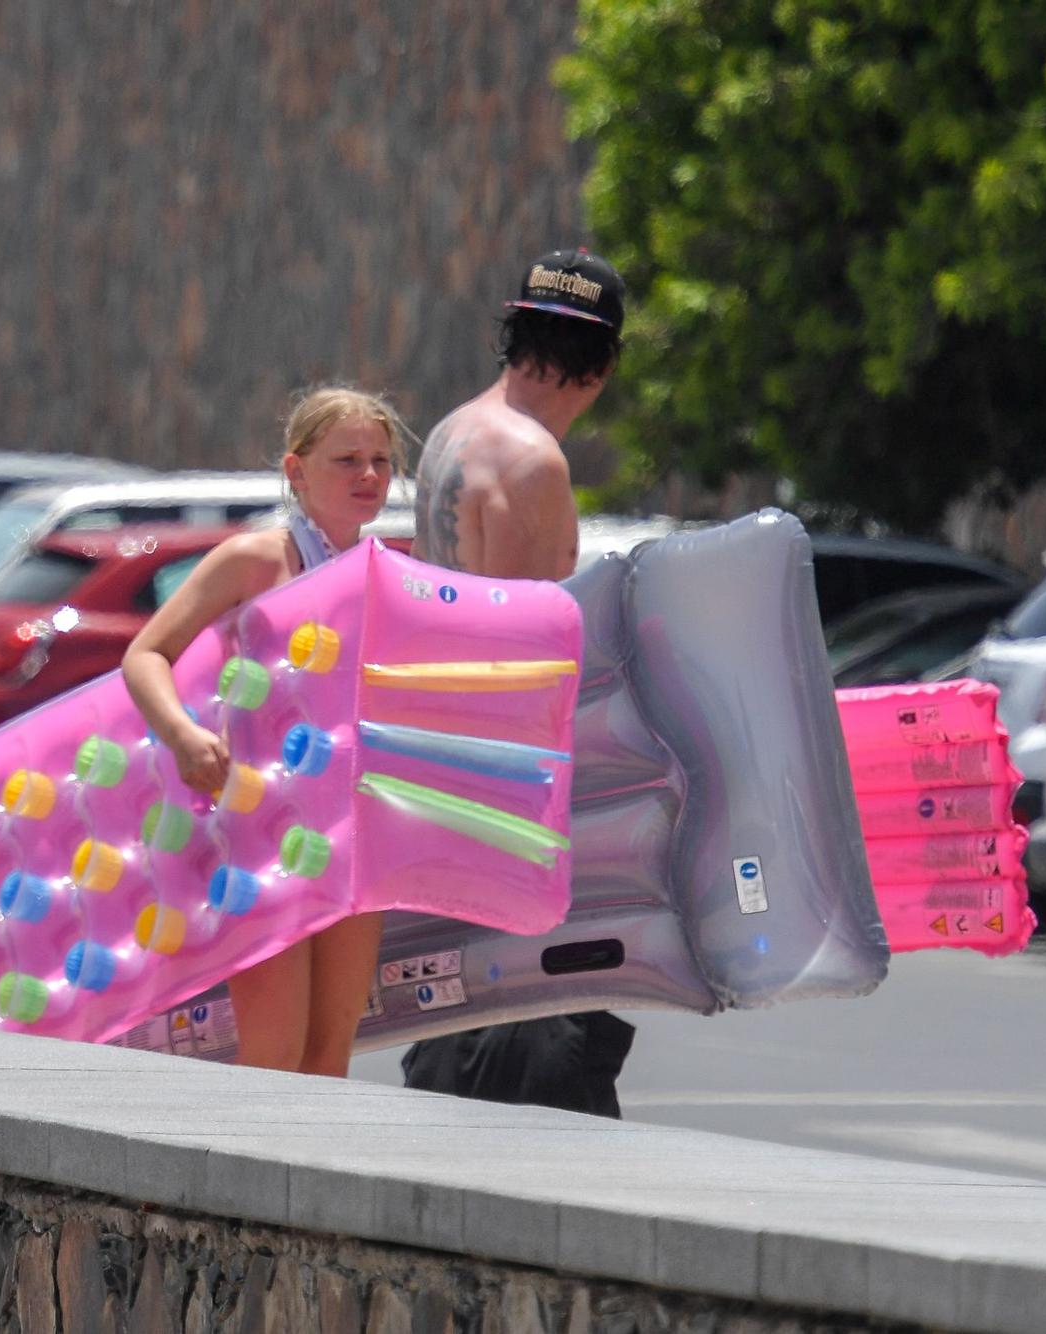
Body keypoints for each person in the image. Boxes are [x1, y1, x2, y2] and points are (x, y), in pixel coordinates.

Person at [402, 247, 639, 1116]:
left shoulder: (451, 436)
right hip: (509, 778)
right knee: (538, 1024)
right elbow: (533, 658)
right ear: (605, 363)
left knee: (459, 1005)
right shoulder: (536, 463)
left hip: (437, 759)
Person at [122, 386, 405, 1078]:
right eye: (347, 460)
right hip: (259, 830)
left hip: (349, 829)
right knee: (272, 1056)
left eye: (380, 460)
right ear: (295, 470)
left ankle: (313, 1189)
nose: (369, 477)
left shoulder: (389, 572)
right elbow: (144, 655)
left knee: (329, 1056)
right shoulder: (254, 560)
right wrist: (183, 735)